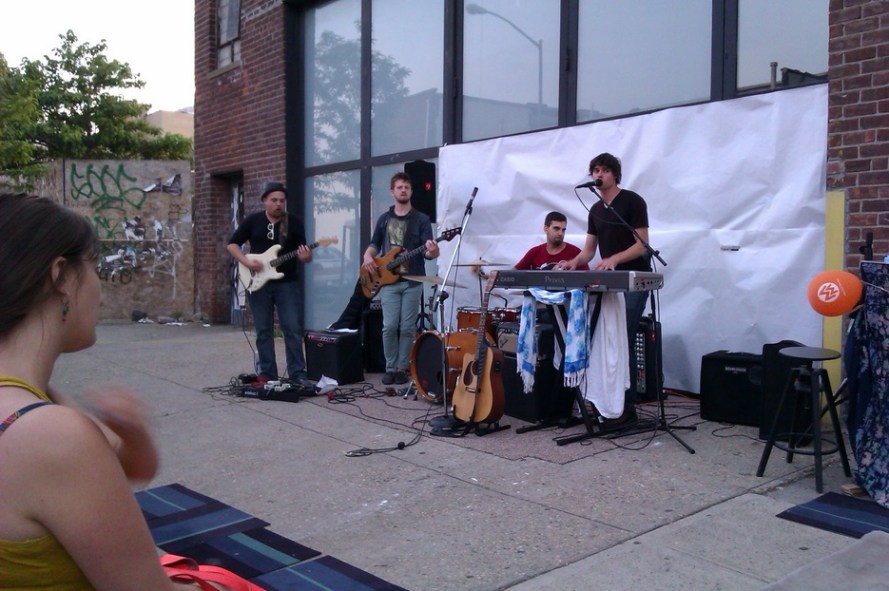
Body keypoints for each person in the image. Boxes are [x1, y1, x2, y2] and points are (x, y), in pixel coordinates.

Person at [0, 193, 226, 589]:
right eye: (93, 268)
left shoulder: (36, 402)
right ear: (61, 278)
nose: (99, 290)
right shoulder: (51, 435)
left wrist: (131, 431)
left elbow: (132, 467)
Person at [558, 153, 652, 424]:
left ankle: (627, 407)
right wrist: (573, 262)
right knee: (607, 341)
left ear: (614, 174)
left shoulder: (633, 201)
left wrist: (614, 259)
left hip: (633, 278)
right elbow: (588, 251)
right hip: (609, 284)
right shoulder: (596, 210)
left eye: (604, 171)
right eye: (595, 171)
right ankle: (609, 402)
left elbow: (642, 243)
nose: (598, 175)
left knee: (624, 338)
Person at [227, 181, 314, 387]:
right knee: (263, 330)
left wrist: (306, 256)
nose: (278, 204)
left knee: (292, 329)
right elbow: (232, 244)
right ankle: (267, 373)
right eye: (274, 200)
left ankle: (297, 374)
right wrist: (248, 262)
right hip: (258, 284)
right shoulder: (253, 221)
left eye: (282, 201)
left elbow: (305, 258)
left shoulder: (294, 223)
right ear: (264, 200)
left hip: (288, 284)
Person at [362, 172, 440, 385]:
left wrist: (433, 252)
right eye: (399, 187)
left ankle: (401, 368)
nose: (403, 190)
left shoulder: (421, 219)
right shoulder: (384, 219)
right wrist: (367, 255)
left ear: (411, 191)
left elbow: (428, 252)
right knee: (389, 326)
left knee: (407, 328)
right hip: (387, 280)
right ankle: (389, 367)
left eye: (406, 187)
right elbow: (374, 244)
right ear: (392, 191)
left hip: (413, 280)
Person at [514, 211, 590, 271]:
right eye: (556, 229)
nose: (560, 233)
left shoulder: (575, 253)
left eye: (563, 230)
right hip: (540, 291)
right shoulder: (534, 252)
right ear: (546, 228)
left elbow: (588, 280)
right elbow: (513, 274)